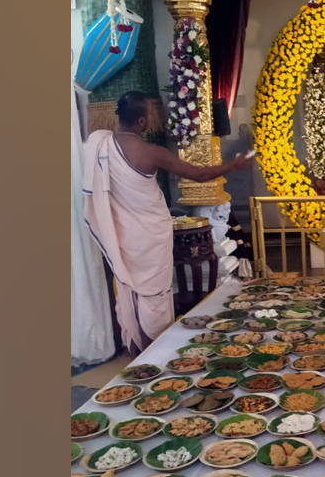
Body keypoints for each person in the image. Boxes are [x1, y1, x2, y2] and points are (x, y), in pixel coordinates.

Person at [83, 91, 251, 355]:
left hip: (122, 235)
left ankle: (136, 348)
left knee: (131, 289)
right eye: (150, 114)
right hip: (149, 236)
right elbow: (199, 174)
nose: (152, 120)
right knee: (155, 293)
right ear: (141, 121)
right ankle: (155, 349)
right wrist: (233, 165)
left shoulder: (99, 145)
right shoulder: (151, 152)